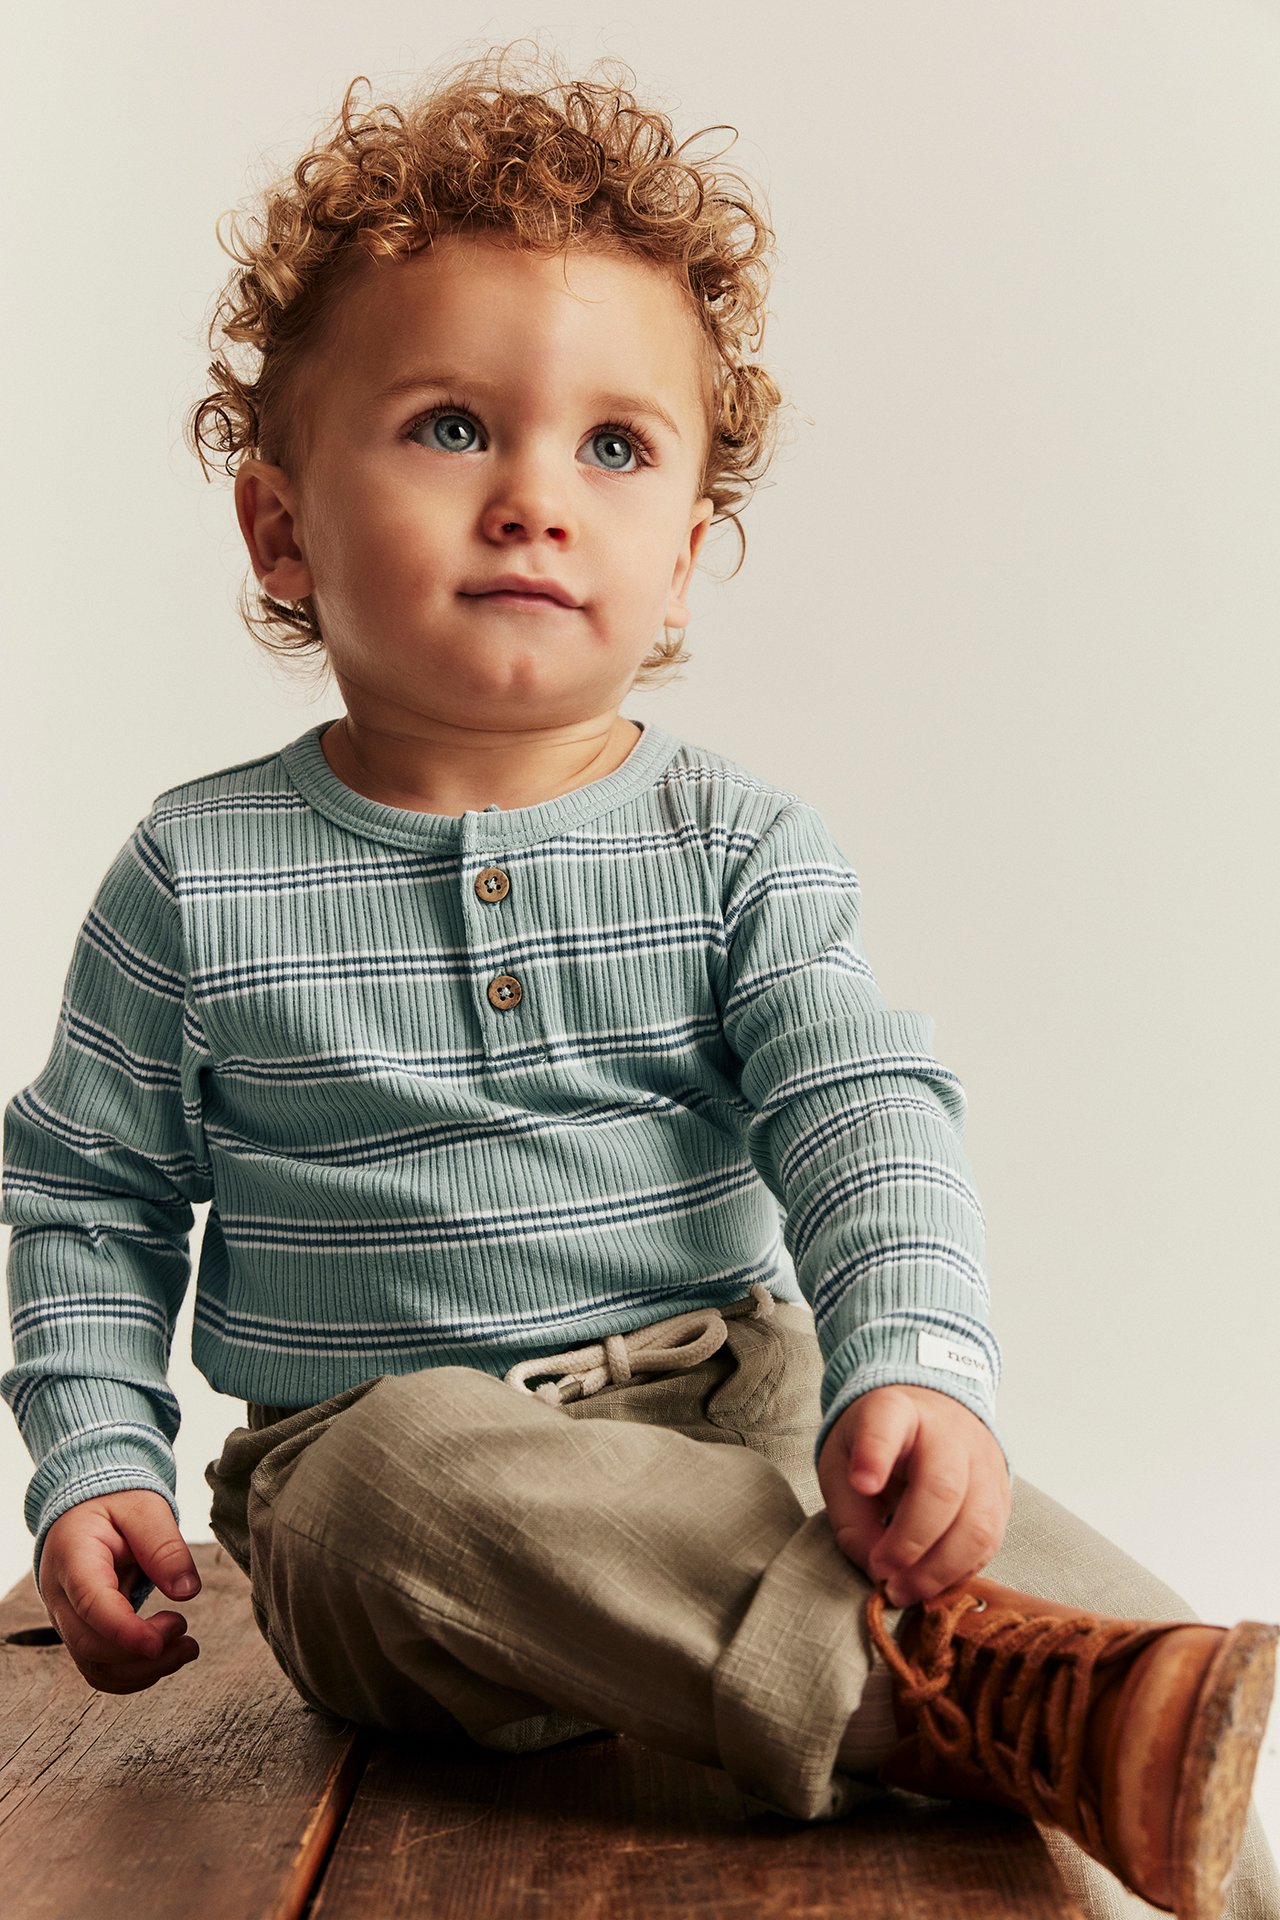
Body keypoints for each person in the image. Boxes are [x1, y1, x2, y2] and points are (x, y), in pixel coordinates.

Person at [1, 41, 1275, 1920]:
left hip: (741, 1419)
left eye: (612, 446)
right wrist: (95, 1455)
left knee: (1128, 1647)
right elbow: (88, 1191)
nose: (534, 495)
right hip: (410, 1522)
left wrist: (918, 1361)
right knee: (391, 1478)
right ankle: (910, 1697)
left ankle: (1105, 1740)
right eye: (450, 425)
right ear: (281, 527)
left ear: (679, 563)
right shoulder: (198, 874)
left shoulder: (736, 846)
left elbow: (861, 1108)